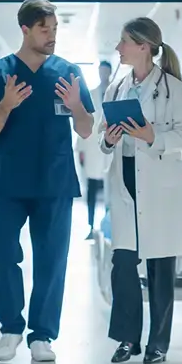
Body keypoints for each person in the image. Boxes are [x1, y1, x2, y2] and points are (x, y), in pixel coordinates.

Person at [0, 0, 95, 363]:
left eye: (55, 29)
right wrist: (6, 105)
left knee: (52, 260)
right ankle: (10, 329)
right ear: (25, 29)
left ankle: (42, 335)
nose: (52, 35)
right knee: (5, 257)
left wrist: (76, 106)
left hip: (54, 182)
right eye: (45, 29)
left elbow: (86, 130)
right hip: (8, 183)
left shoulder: (69, 72)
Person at [99, 18, 182, 364]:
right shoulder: (117, 87)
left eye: (124, 41)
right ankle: (128, 339)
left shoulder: (173, 88)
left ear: (143, 46)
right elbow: (104, 135)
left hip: (159, 185)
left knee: (160, 268)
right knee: (123, 265)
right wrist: (108, 139)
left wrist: (151, 136)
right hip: (125, 181)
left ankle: (158, 343)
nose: (118, 48)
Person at [77, 60, 112, 238]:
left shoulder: (117, 93)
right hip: (93, 149)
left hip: (111, 150)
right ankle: (91, 227)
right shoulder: (90, 95)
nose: (103, 75)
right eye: (101, 71)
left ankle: (108, 227)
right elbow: (81, 122)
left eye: (106, 71)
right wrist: (80, 151)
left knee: (110, 191)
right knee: (92, 191)